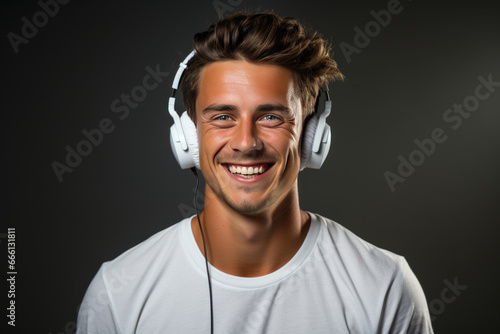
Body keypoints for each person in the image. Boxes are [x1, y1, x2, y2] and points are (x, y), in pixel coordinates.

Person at [77, 12, 434, 333]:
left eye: (271, 117)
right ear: (187, 137)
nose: (246, 142)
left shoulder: (384, 287)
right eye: (222, 117)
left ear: (312, 135)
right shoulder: (119, 292)